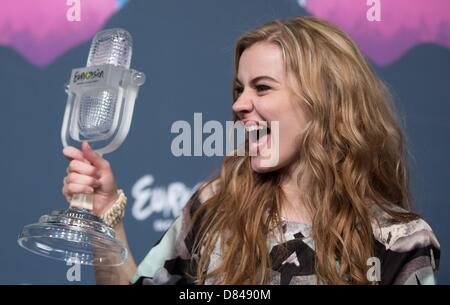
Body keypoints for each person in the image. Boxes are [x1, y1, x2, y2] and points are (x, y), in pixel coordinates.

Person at [62, 16, 440, 285]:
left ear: (325, 101)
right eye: (239, 88)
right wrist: (103, 216)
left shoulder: (400, 239)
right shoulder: (212, 208)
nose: (240, 104)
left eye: (262, 87)